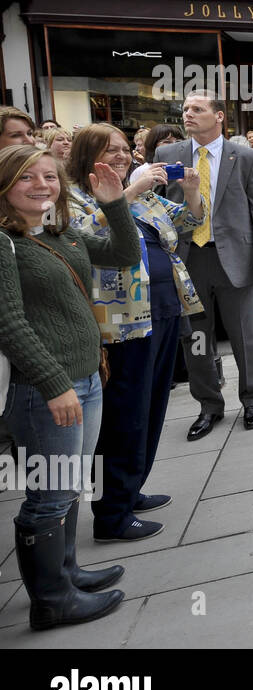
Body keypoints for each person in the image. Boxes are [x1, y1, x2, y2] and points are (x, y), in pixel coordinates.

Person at [0, 144, 140, 629]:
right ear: (4, 186)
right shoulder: (4, 242)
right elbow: (9, 322)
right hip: (44, 390)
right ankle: (51, 602)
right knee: (49, 493)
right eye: (26, 178)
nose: (42, 185)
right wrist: (54, 383)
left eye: (50, 177)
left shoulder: (60, 233)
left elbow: (123, 255)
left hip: (85, 379)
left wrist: (114, 202)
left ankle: (67, 575)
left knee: (68, 486)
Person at [66, 125, 205, 541]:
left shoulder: (142, 192)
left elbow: (188, 221)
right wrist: (125, 193)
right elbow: (79, 236)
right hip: (119, 324)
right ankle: (111, 515)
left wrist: (193, 189)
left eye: (126, 149)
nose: (123, 157)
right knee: (122, 416)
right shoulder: (74, 196)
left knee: (150, 408)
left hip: (161, 312)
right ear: (88, 155)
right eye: (111, 150)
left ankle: (131, 490)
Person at [156, 91, 253, 440]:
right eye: (185, 109)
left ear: (220, 116)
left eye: (197, 109)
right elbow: (158, 206)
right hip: (188, 261)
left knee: (246, 336)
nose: (188, 114)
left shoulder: (247, 157)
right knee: (195, 340)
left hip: (235, 260)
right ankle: (209, 405)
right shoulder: (168, 155)